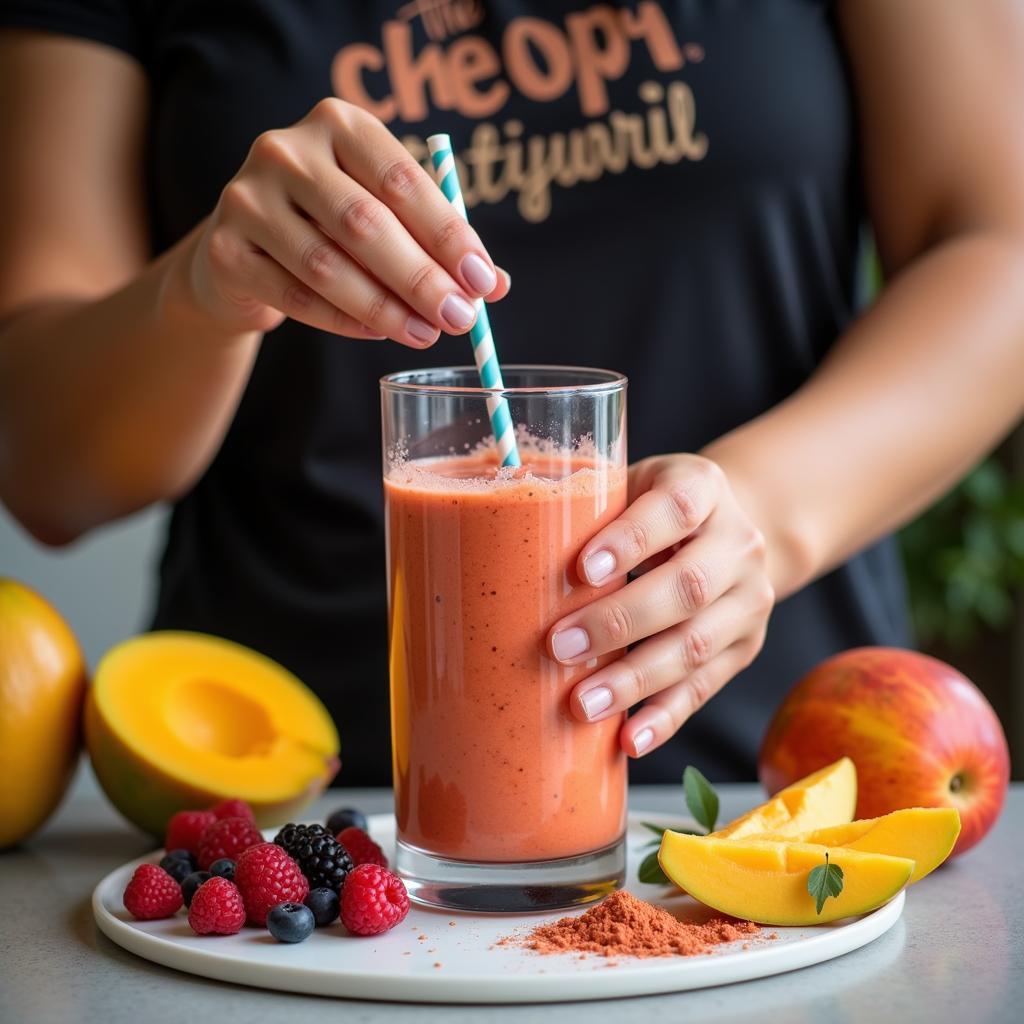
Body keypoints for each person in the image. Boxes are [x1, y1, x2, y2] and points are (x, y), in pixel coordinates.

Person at [1, 1, 1023, 786]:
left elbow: (998, 244)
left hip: (766, 787)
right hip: (293, 823)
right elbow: (43, 463)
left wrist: (761, 510)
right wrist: (202, 289)